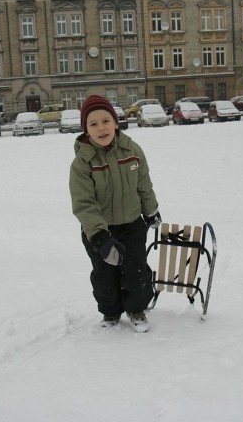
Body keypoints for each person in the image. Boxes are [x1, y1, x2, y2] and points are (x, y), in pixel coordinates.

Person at [69, 95, 162, 332]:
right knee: (104, 275)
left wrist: (151, 211)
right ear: (86, 130)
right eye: (93, 124)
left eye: (105, 121)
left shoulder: (132, 150)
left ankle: (136, 308)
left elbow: (144, 185)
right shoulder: (82, 163)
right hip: (100, 231)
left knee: (136, 270)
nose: (101, 128)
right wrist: (99, 237)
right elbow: (84, 204)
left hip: (131, 225)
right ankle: (110, 312)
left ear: (115, 122)